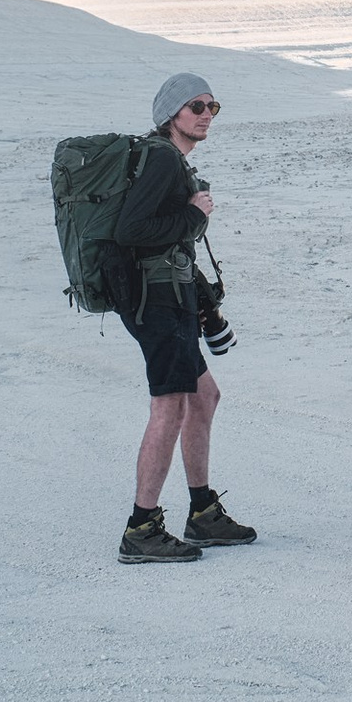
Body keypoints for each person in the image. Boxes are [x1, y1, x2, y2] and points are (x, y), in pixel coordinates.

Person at [112, 71, 258, 563]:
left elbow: (162, 238)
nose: (206, 115)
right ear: (169, 114)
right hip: (155, 303)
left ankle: (202, 512)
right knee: (170, 406)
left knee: (204, 396)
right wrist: (195, 214)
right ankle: (141, 528)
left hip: (167, 298)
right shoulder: (161, 160)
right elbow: (132, 230)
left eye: (212, 106)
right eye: (196, 106)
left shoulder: (170, 161)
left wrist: (203, 302)